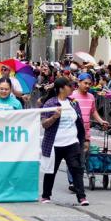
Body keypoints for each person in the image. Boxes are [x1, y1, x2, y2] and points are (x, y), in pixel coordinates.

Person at [40, 77, 89, 206]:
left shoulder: (73, 103)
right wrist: (54, 117)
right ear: (61, 88)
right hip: (54, 144)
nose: (72, 88)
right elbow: (44, 124)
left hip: (72, 142)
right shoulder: (50, 103)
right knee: (51, 170)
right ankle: (46, 195)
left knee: (76, 169)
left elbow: (79, 122)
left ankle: (82, 197)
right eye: (69, 86)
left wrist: (84, 139)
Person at [66, 72, 109, 191]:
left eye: (89, 84)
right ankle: (72, 182)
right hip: (72, 131)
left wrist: (101, 121)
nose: (87, 86)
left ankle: (77, 180)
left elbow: (93, 111)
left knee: (82, 158)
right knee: (72, 157)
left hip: (85, 132)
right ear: (79, 82)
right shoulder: (72, 96)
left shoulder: (91, 97)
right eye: (85, 83)